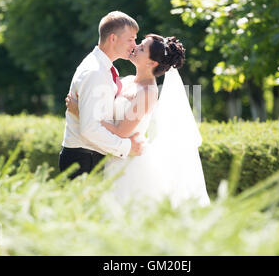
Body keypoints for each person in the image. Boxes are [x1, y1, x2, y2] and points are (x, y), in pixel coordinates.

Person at [66, 34, 210, 207]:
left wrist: (82, 112)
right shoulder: (125, 81)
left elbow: (121, 131)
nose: (135, 47)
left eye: (142, 48)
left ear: (151, 63)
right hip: (113, 155)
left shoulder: (148, 92)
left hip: (130, 165)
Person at [59, 11, 144, 180]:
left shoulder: (106, 69)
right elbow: (90, 128)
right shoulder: (95, 71)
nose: (134, 45)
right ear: (113, 38)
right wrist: (126, 147)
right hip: (83, 159)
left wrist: (81, 112)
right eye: (130, 39)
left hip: (90, 156)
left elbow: (98, 116)